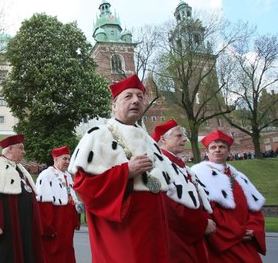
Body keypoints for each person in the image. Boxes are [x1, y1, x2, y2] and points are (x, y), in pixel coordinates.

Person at [68, 75, 201, 263]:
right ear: (114, 105)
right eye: (128, 96)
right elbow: (84, 187)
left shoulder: (149, 140)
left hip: (155, 230)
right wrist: (126, 172)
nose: (136, 100)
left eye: (140, 96)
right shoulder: (97, 136)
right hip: (122, 231)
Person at [192, 130, 266, 262]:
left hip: (246, 237)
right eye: (213, 147)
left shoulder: (238, 177)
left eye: (222, 147)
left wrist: (253, 229)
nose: (217, 150)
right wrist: (237, 232)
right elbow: (209, 211)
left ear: (229, 151)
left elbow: (254, 208)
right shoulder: (199, 175)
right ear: (207, 153)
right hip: (224, 240)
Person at [0, 134, 44, 263]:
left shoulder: (18, 169)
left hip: (22, 225)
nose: (23, 152)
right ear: (10, 149)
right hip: (6, 227)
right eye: (20, 148)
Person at [152, 119, 216, 262]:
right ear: (163, 139)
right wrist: (202, 224)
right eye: (178, 136)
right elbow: (167, 204)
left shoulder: (179, 166)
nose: (184, 139)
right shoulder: (159, 164)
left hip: (189, 235)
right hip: (176, 239)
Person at [35, 146, 82, 263]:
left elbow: (71, 197)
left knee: (67, 249)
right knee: (53, 251)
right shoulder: (46, 175)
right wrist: (47, 227)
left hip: (67, 221)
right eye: (64, 159)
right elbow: (43, 204)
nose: (67, 162)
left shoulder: (68, 176)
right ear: (55, 159)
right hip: (56, 219)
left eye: (68, 159)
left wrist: (75, 215)